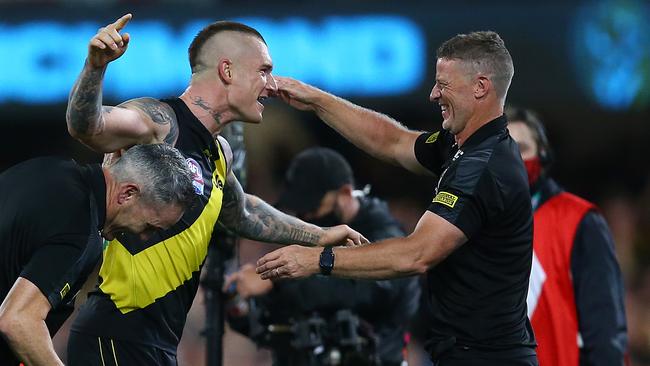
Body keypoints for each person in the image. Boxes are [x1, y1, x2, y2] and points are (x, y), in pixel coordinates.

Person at [64, 14, 367, 365]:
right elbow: (86, 125)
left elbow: (245, 212)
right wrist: (95, 66)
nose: (271, 85)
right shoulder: (160, 123)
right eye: (264, 70)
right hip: (116, 331)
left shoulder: (218, 152)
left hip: (157, 341)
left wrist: (322, 235)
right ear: (227, 70)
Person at [256, 31, 539, 365]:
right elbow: (392, 141)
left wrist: (317, 259)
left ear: (480, 87)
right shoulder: (462, 145)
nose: (434, 94)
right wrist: (318, 100)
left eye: (443, 84)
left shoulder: (483, 168)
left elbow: (416, 254)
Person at [0, 143, 196, 366]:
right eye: (149, 227)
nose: (144, 237)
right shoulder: (80, 229)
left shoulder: (44, 169)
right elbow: (18, 320)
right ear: (128, 193)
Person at [225, 147, 420, 366]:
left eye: (313, 206)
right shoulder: (311, 235)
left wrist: (275, 282)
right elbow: (274, 320)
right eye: (300, 209)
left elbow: (365, 291)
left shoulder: (385, 235)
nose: (305, 216)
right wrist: (241, 301)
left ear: (345, 194)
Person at [506, 107, 628, 366]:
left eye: (523, 148)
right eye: (505, 149)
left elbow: (604, 322)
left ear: (543, 154)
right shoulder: (471, 224)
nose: (514, 159)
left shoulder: (579, 220)